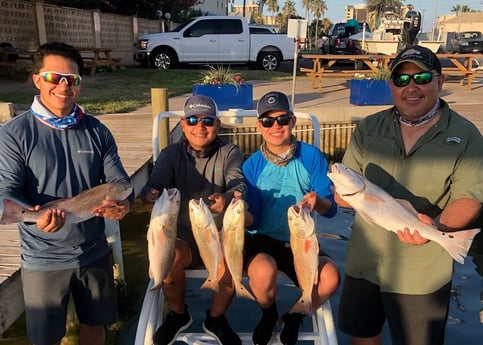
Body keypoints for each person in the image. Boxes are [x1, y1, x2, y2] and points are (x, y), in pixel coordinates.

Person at [336, 45, 483, 345]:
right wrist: (341, 194)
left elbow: (469, 199)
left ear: (440, 82)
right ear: (391, 85)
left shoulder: (466, 136)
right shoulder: (367, 128)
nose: (411, 87)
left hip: (422, 272)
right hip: (365, 263)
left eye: (422, 77)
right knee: (363, 336)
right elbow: (343, 190)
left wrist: (437, 227)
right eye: (402, 80)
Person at [0, 42, 133, 345]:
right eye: (53, 77)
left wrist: (123, 205)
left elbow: (122, 182)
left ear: (79, 85)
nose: (63, 86)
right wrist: (34, 216)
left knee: (95, 327)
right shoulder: (13, 134)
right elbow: (5, 190)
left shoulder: (97, 131)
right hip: (43, 257)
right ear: (37, 79)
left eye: (71, 80)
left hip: (94, 251)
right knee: (46, 338)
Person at [141, 95, 246, 345]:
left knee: (230, 262)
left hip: (218, 231)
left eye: (208, 121)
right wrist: (150, 195)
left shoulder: (229, 152)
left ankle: (217, 318)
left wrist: (228, 197)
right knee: (168, 258)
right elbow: (154, 184)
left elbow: (238, 182)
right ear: (184, 125)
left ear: (218, 125)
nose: (200, 126)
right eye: (193, 120)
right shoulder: (170, 154)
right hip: (183, 233)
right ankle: (178, 314)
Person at [242, 91, 340, 345]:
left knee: (331, 278)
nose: (275, 126)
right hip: (263, 238)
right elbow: (255, 217)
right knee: (263, 273)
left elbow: (330, 209)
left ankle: (296, 314)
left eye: (282, 119)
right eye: (267, 121)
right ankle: (269, 313)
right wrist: (239, 214)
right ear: (259, 126)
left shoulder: (311, 156)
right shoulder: (251, 165)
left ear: (293, 121)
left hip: (302, 238)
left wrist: (317, 201)